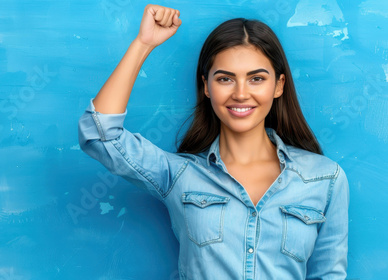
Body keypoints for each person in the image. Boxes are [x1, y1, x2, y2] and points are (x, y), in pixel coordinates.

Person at [78, 4, 349, 279]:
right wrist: (143, 44)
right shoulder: (179, 176)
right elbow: (99, 134)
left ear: (278, 86)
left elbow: (328, 275)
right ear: (206, 86)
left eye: (256, 79)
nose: (241, 94)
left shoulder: (325, 179)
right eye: (225, 79)